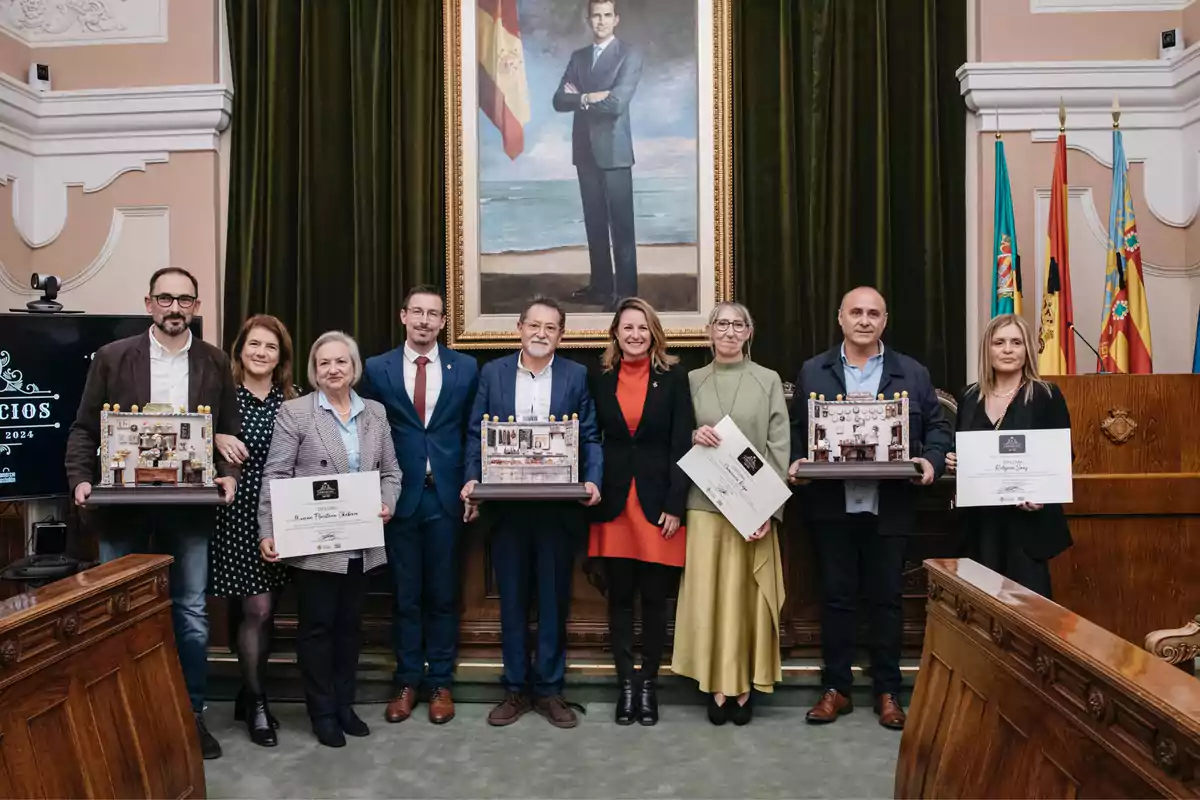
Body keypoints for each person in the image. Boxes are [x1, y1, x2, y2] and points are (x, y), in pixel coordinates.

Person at [65, 266, 239, 760]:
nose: (175, 308)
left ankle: (192, 714)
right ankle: (116, 718)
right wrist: (81, 480)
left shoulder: (215, 362)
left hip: (189, 513)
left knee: (190, 613)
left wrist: (228, 473)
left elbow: (226, 432)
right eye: (165, 298)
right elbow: (83, 429)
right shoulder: (112, 358)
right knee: (113, 611)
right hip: (123, 511)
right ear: (148, 304)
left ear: (196, 307)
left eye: (185, 300)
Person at [788, 286, 950, 731]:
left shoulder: (912, 373)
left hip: (890, 505)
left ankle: (887, 692)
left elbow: (939, 430)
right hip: (830, 506)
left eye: (873, 313)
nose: (864, 320)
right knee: (836, 599)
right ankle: (835, 688)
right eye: (855, 312)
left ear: (884, 320)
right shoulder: (813, 371)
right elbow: (797, 432)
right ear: (840, 318)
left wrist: (931, 462)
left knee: (886, 601)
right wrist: (795, 462)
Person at [461, 297, 602, 729]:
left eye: (551, 327)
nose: (541, 333)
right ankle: (516, 689)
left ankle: (550, 690)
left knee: (554, 600)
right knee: (513, 602)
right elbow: (475, 432)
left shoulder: (577, 375)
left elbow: (591, 435)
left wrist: (593, 479)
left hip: (557, 510)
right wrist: (470, 481)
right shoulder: (494, 373)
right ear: (519, 327)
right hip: (507, 510)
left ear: (562, 334)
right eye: (534, 325)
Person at [257, 331, 400, 749]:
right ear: (313, 370)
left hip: (362, 538)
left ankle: (343, 705)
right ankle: (321, 711)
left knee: (350, 628)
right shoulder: (296, 413)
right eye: (324, 363)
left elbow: (392, 472)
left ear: (354, 368)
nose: (333, 369)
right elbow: (276, 475)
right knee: (317, 628)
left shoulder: (374, 412)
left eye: (341, 362)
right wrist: (268, 530)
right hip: (314, 543)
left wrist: (388, 502)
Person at [361, 286, 479, 726]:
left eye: (434, 314)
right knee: (406, 597)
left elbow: (473, 431)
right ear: (403, 316)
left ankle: (441, 683)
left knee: (444, 596)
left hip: (448, 496)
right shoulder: (377, 368)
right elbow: (368, 430)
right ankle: (407, 681)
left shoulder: (466, 367)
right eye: (418, 312)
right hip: (398, 499)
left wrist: (473, 484)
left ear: (444, 322)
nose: (425, 320)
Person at [671, 301, 789, 726]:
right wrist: (691, 434)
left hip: (752, 514)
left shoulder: (768, 380)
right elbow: (674, 437)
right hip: (704, 507)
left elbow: (779, 448)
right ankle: (716, 684)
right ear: (708, 332)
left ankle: (743, 684)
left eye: (738, 324)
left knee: (745, 599)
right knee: (710, 598)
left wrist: (765, 509)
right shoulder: (690, 380)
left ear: (749, 332)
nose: (729, 331)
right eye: (721, 324)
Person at [588, 298, 693, 726]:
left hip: (656, 506)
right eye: (627, 328)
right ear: (615, 333)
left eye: (643, 328)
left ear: (654, 334)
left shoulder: (673, 379)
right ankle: (625, 686)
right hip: (613, 504)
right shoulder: (599, 377)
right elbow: (591, 436)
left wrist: (675, 503)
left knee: (653, 601)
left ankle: (648, 685)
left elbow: (680, 443)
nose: (635, 335)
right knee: (620, 601)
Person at [210, 314, 299, 748]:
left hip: (281, 516)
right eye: (255, 345)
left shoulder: (293, 400)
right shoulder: (222, 397)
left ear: (281, 357)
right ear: (240, 349)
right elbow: (191, 440)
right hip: (234, 515)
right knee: (256, 611)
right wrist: (214, 438)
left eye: (271, 347)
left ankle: (248, 692)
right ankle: (259, 703)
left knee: (267, 612)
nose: (262, 353)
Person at [945, 313, 1072, 598]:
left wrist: (1040, 494)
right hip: (979, 525)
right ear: (987, 349)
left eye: (1016, 342)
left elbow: (1063, 456)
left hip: (1025, 526)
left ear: (1027, 350)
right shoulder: (969, 397)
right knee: (979, 613)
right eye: (999, 342)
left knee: (1028, 614)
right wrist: (955, 462)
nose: (1007, 349)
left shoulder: (1045, 395)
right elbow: (962, 447)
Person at [552, 0, 644, 310]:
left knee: (621, 226)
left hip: (615, 153)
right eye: (596, 16)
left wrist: (579, 98)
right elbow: (558, 100)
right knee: (594, 223)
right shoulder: (579, 58)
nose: (601, 21)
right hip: (584, 152)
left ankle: (627, 294)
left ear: (616, 19)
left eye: (607, 15)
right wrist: (591, 96)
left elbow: (617, 103)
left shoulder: (629, 55)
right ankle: (602, 287)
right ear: (589, 20)